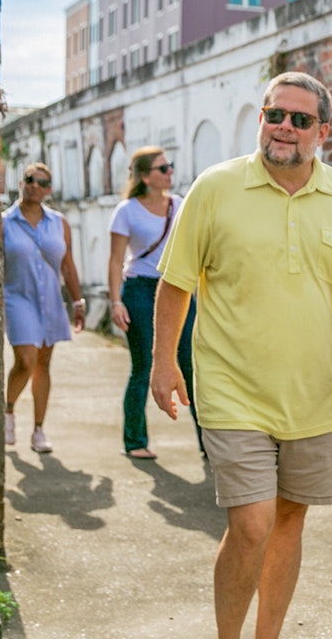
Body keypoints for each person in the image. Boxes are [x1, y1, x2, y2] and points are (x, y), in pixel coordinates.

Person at [149, 71, 332, 639]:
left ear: (323, 132)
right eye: (274, 114)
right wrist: (164, 363)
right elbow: (175, 283)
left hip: (316, 394)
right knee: (253, 522)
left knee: (289, 519)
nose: (284, 127)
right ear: (261, 119)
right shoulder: (215, 188)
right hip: (233, 390)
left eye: (300, 119)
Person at [107, 146, 201, 460]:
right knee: (144, 365)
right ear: (145, 176)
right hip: (140, 290)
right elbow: (116, 259)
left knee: (191, 364)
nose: (170, 171)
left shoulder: (180, 205)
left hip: (178, 289)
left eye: (170, 166)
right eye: (163, 168)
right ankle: (135, 441)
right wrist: (116, 301)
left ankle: (210, 444)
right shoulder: (127, 211)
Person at [2, 162, 85, 454]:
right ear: (21, 182)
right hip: (17, 297)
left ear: (49, 189)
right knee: (26, 359)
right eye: (30, 179)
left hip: (50, 298)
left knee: (44, 363)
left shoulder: (58, 223)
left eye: (42, 182)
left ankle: (38, 430)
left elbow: (68, 264)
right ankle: (8, 411)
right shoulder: (4, 222)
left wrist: (77, 301)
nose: (35, 185)